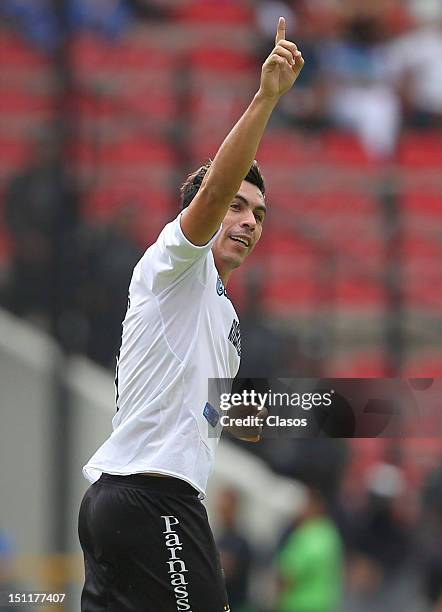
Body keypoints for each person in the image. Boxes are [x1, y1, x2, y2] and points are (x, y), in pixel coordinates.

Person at [78, 17, 304, 612]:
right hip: (154, 499)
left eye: (259, 214)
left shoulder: (219, 315)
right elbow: (209, 196)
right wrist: (266, 97)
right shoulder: (175, 262)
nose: (250, 221)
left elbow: (217, 409)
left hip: (116, 505)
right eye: (237, 205)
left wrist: (309, 411)